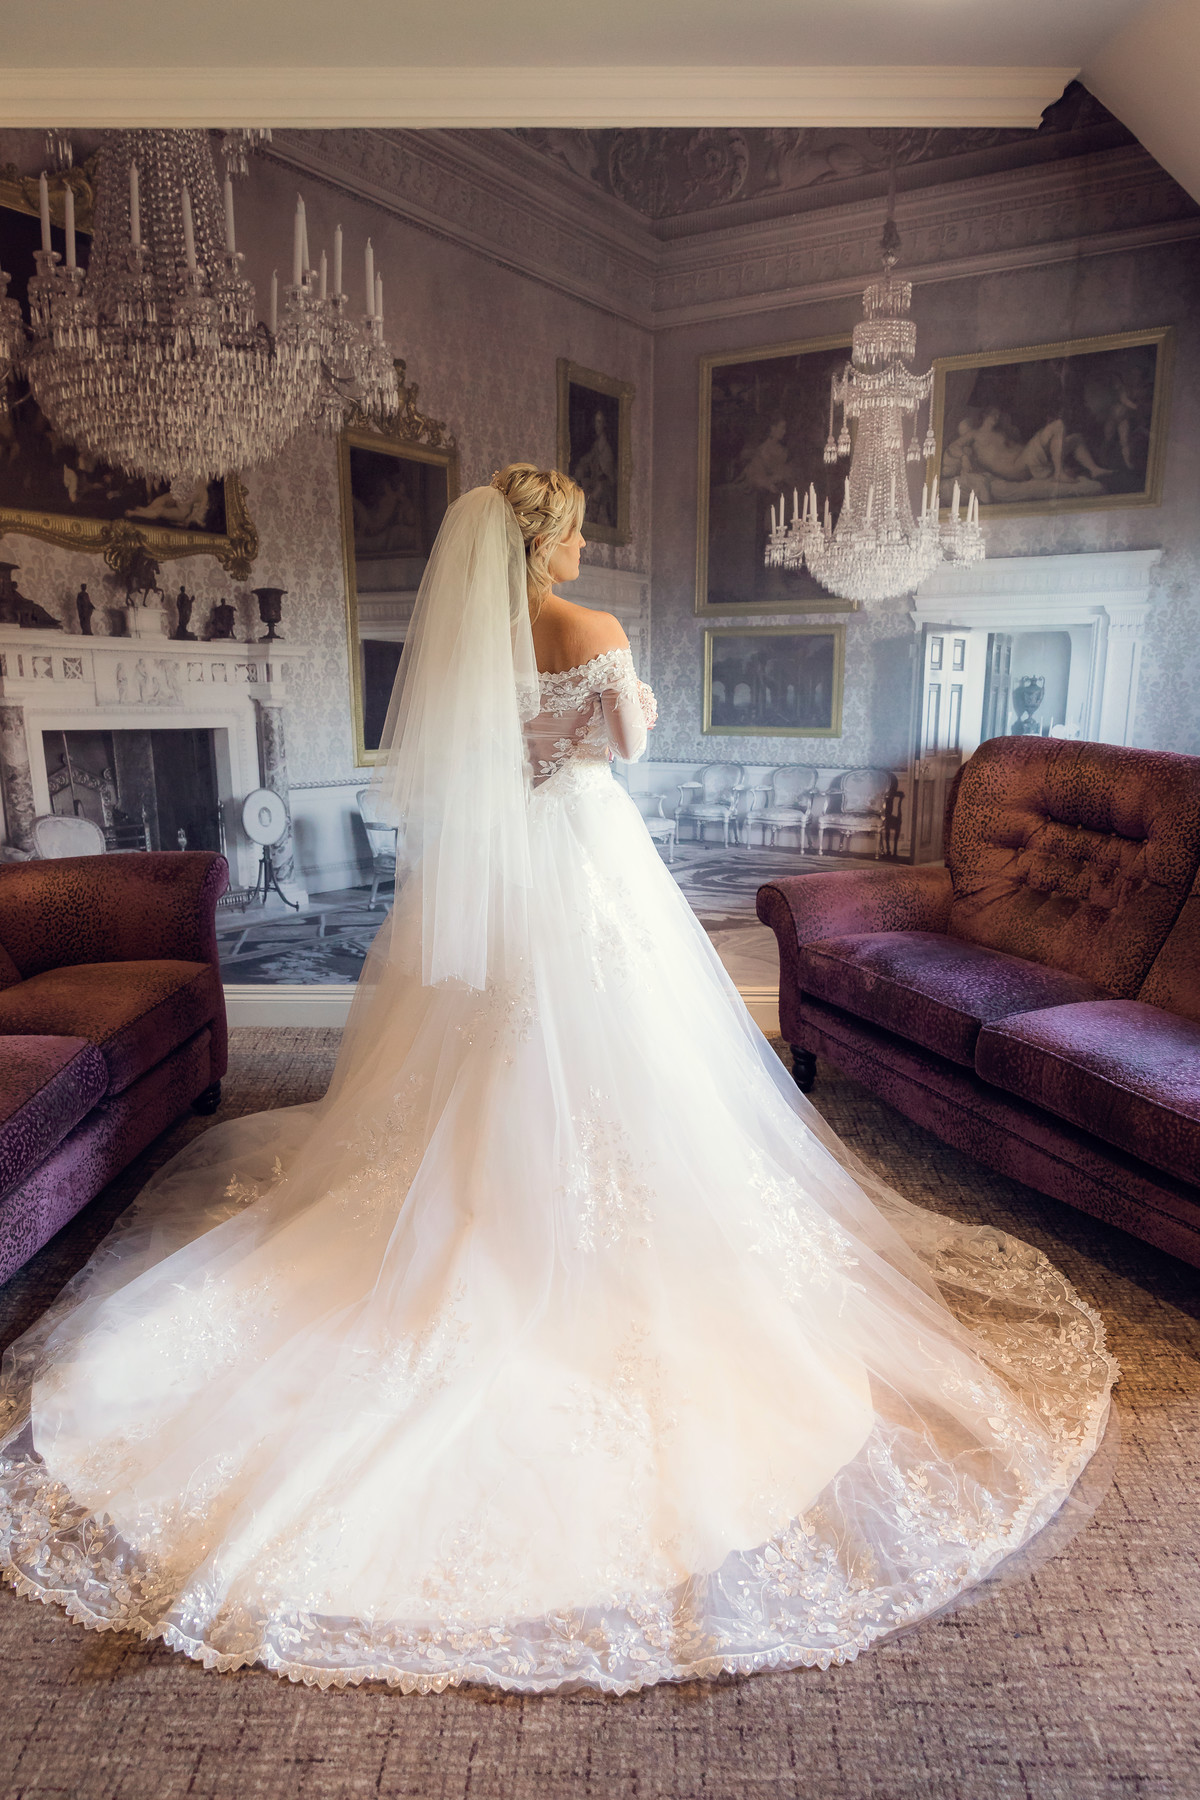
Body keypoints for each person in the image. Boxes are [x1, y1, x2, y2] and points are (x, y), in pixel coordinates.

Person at [0, 465, 1115, 1695]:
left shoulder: (482, 632)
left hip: (490, 878)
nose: (590, 545)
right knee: (621, 1049)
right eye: (581, 528)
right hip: (582, 863)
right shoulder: (589, 629)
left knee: (477, 1046)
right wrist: (623, 694)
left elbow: (472, 762)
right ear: (546, 542)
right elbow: (626, 747)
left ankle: (480, 1200)